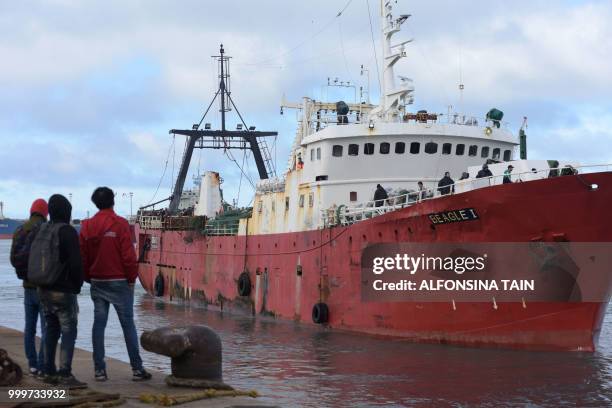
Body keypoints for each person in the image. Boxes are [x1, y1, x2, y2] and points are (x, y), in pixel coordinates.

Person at [80, 187, 151, 382]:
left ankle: (99, 371)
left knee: (98, 325)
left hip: (97, 281)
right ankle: (137, 370)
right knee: (128, 325)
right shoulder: (120, 224)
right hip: (119, 281)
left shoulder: (87, 226)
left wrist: (89, 277)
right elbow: (128, 257)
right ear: (113, 201)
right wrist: (131, 279)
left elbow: (83, 257)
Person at [36, 194, 85, 388]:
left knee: (51, 329)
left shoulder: (43, 229)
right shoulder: (67, 232)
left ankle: (48, 372)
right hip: (63, 291)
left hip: (43, 289)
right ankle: (65, 374)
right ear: (67, 212)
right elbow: (75, 263)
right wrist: (77, 285)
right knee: (68, 331)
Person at [9, 199, 48, 377]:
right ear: (45, 213)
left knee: (29, 328)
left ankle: (32, 365)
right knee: (46, 328)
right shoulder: (47, 230)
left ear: (31, 211)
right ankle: (42, 365)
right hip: (44, 287)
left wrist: (23, 274)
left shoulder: (20, 230)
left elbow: (13, 258)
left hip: (27, 286)